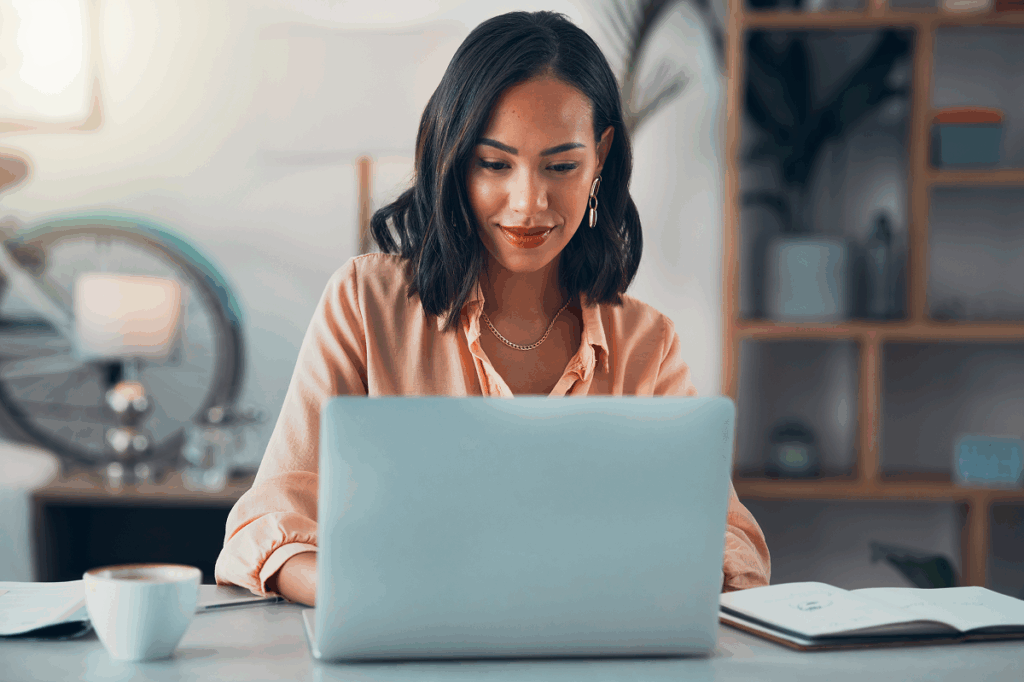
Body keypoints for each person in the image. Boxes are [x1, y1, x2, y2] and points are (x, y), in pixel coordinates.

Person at [215, 10, 770, 607]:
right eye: (494, 164)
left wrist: (638, 583)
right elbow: (266, 525)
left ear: (601, 158)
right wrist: (368, 596)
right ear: (454, 160)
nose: (529, 203)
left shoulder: (645, 344)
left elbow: (729, 541)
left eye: (561, 166)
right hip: (403, 645)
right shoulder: (364, 304)